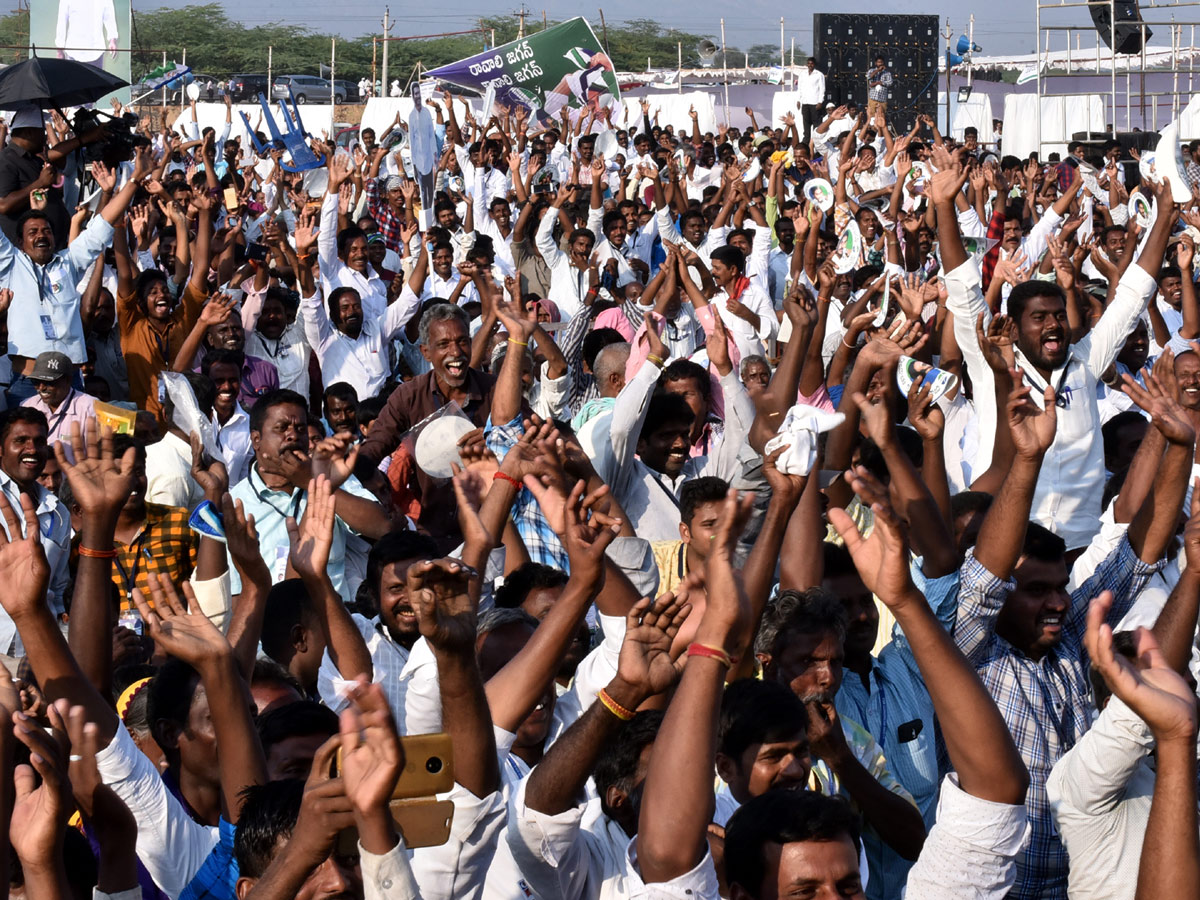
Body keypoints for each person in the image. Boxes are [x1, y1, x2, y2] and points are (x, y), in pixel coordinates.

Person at [19, 351, 97, 448]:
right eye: (36, 381)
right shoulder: (27, 405)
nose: (41, 388)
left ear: (68, 380)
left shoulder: (90, 407)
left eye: (49, 382)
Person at [798, 57, 826, 145]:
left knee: (815, 123)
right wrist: (799, 100)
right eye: (809, 63)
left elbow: (822, 89)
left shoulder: (819, 74)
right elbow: (800, 88)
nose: (810, 65)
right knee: (806, 123)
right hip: (805, 102)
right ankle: (806, 142)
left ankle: (815, 142)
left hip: (815, 102)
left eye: (812, 63)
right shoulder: (802, 74)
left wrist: (820, 101)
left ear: (814, 64)